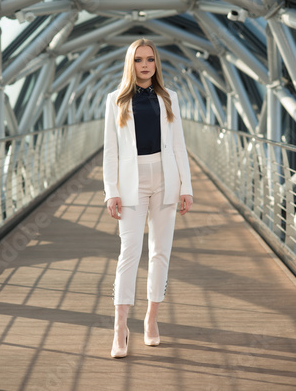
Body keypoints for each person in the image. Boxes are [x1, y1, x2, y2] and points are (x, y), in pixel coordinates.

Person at [103, 38, 193, 358]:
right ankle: (120, 327)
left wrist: (186, 187)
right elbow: (110, 152)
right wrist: (111, 192)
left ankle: (151, 319)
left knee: (160, 253)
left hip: (165, 178)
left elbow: (179, 145)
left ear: (156, 64)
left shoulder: (170, 98)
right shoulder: (115, 100)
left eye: (150, 59)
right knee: (129, 252)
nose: (145, 65)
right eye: (139, 59)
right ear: (131, 64)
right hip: (132, 182)